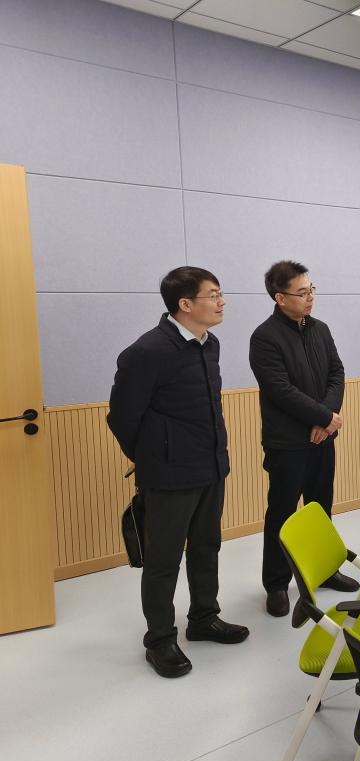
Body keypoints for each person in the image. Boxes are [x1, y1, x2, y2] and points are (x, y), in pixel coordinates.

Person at [108, 267, 249, 679]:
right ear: (185, 304)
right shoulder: (147, 351)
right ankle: (159, 639)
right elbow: (122, 418)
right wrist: (153, 457)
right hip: (168, 475)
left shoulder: (210, 344)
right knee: (163, 559)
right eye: (213, 295)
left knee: (207, 547)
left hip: (210, 466)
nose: (222, 302)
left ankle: (204, 618)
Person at [249, 261, 347, 618]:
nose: (310, 297)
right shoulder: (265, 337)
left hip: (323, 437)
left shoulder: (320, 329)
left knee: (321, 507)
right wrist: (323, 417)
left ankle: (325, 569)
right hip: (287, 443)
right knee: (282, 513)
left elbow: (336, 373)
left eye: (312, 289)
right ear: (280, 298)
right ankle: (276, 584)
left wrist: (327, 418)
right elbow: (280, 390)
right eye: (302, 292)